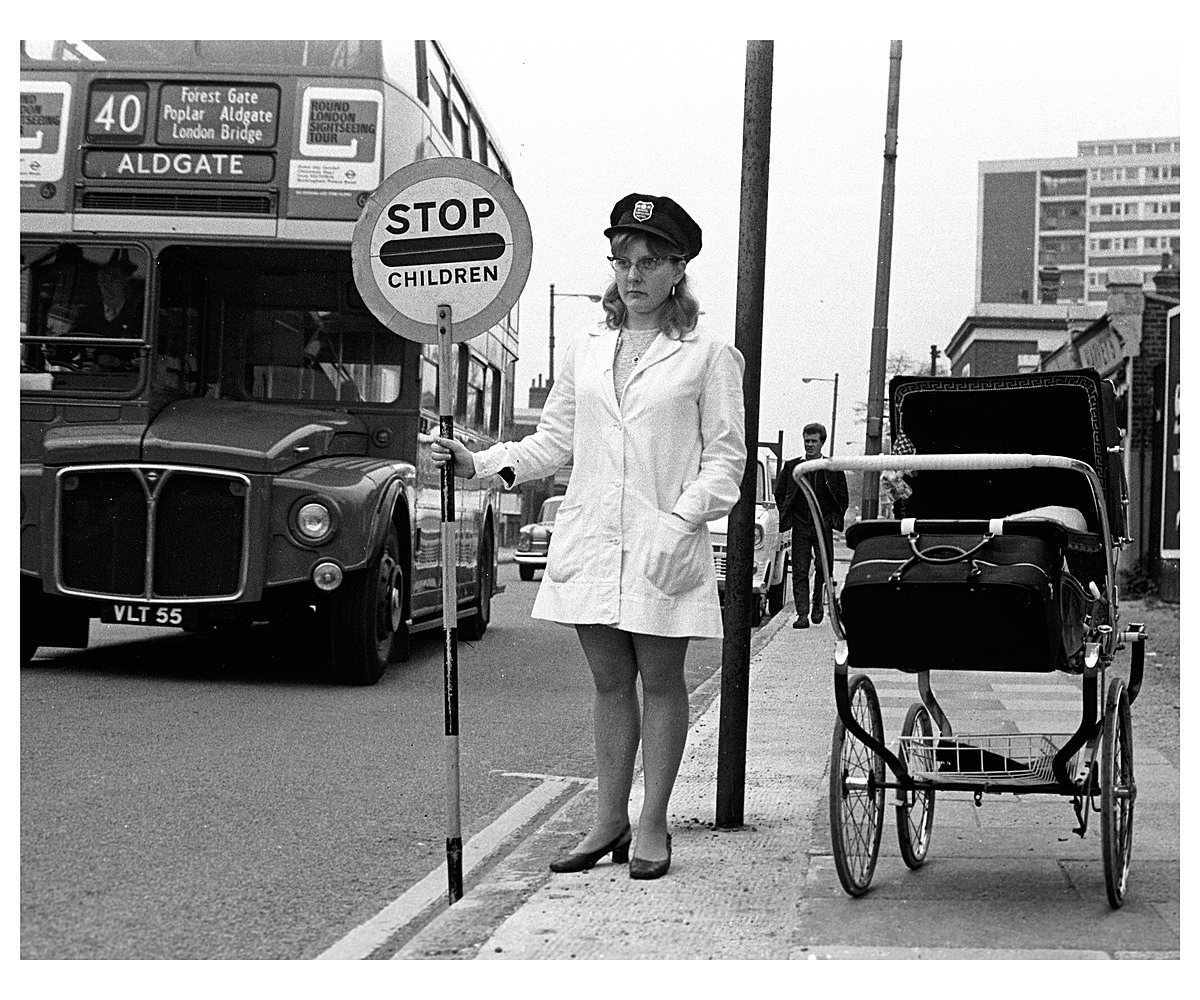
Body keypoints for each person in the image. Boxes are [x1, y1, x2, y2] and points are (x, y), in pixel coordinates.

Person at [429, 193, 746, 880]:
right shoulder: (588, 346)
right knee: (608, 684)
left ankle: (653, 823)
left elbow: (726, 463)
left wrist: (679, 519)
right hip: (595, 540)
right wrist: (482, 464)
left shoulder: (708, 354)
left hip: (666, 541)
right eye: (623, 261)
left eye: (650, 262)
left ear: (678, 268)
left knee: (660, 683)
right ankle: (609, 821)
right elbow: (552, 441)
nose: (633, 276)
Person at [774, 422, 848, 629]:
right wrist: (788, 513)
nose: (809, 445)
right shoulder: (792, 466)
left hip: (822, 524)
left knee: (825, 568)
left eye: (814, 441)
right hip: (801, 525)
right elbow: (780, 493)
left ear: (821, 442)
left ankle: (818, 603)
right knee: (799, 569)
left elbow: (842, 497)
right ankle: (802, 614)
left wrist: (833, 517)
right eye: (806, 441)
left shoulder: (832, 467)